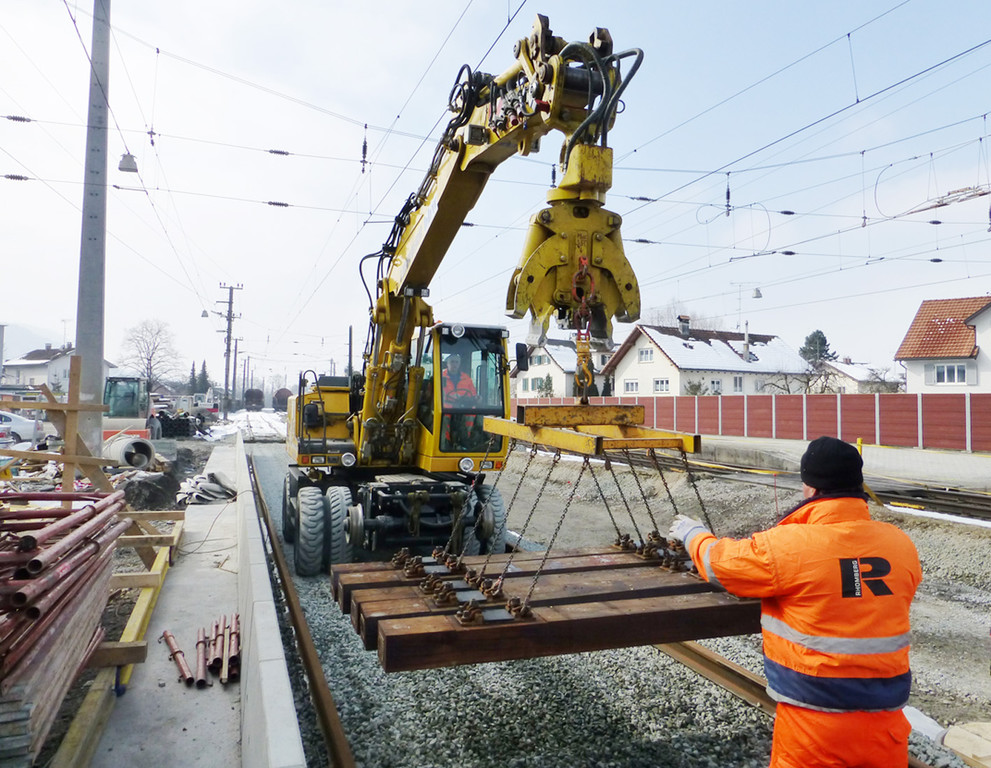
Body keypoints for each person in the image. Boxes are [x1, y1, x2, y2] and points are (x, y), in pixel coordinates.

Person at [668, 436, 922, 768]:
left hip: (814, 728)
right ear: (857, 486)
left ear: (811, 488)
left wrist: (693, 535)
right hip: (886, 725)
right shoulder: (900, 544)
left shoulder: (789, 546)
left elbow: (722, 565)